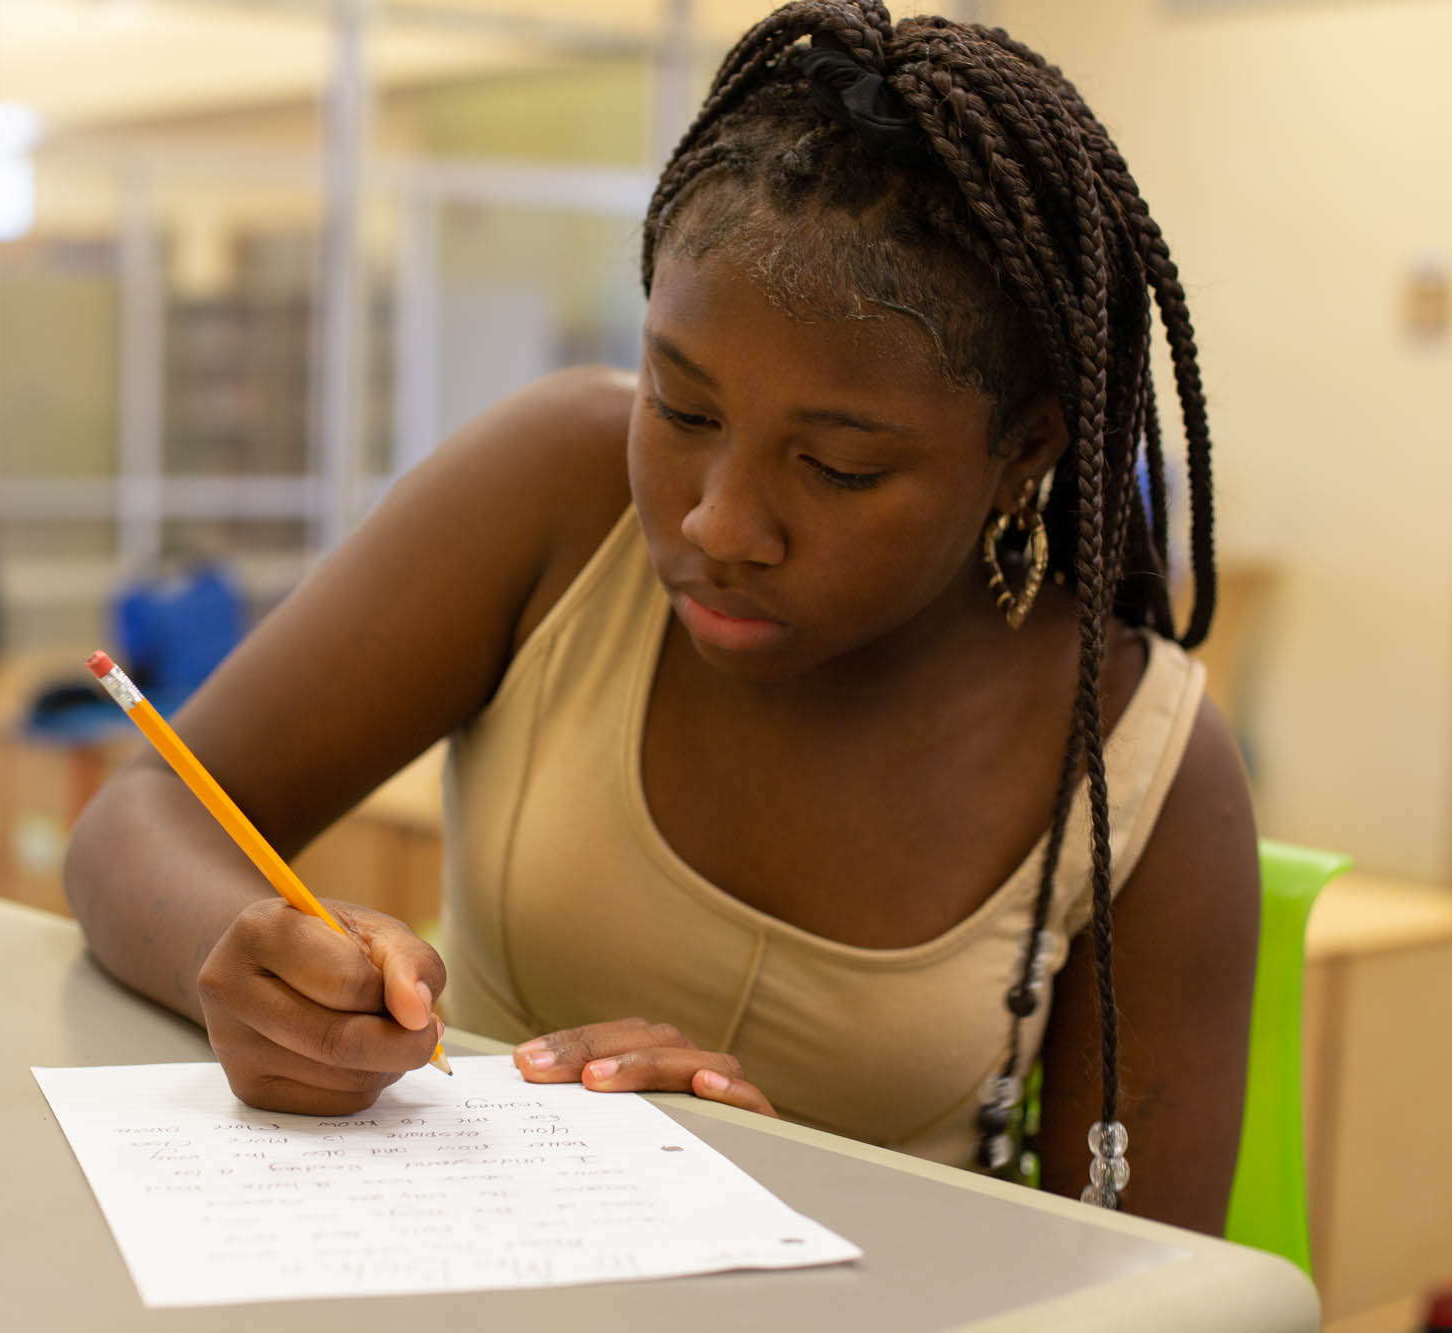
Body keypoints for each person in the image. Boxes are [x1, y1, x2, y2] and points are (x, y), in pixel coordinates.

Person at [65, 0, 1259, 1238]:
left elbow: (1149, 1284)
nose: (718, 525)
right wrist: (263, 971)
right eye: (680, 410)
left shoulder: (1135, 758)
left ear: (1023, 451)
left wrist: (782, 1200)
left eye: (841, 468)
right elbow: (136, 819)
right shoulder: (554, 491)